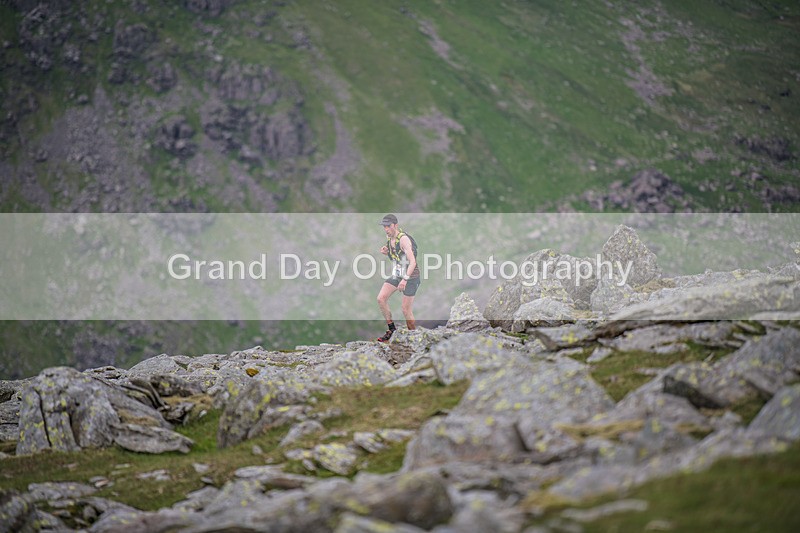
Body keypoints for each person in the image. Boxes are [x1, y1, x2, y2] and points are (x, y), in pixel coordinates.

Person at [376, 214, 420, 342]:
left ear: (395, 225)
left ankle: (415, 339)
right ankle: (391, 330)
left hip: (411, 277)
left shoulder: (404, 240)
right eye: (384, 226)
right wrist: (387, 252)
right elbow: (397, 257)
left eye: (388, 226)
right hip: (398, 275)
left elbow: (413, 262)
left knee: (405, 310)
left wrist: (405, 279)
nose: (386, 229)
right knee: (381, 298)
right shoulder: (389, 239)